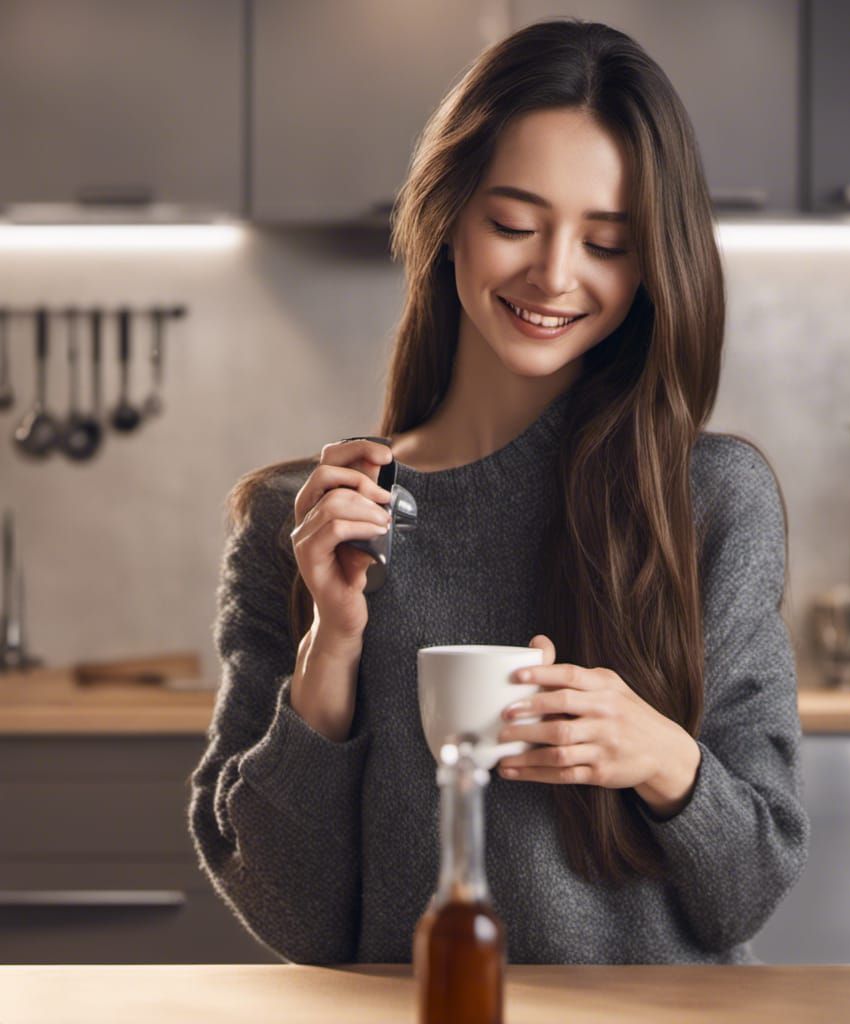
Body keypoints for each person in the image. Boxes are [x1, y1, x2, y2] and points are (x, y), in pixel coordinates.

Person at [188, 17, 810, 966]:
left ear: (653, 266)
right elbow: (299, 923)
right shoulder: (304, 518)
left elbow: (749, 891)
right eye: (514, 224)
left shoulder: (711, 500)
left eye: (608, 243)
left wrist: (660, 758)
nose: (554, 275)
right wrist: (331, 647)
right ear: (447, 217)